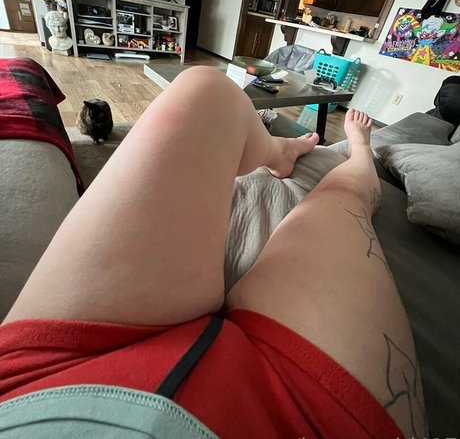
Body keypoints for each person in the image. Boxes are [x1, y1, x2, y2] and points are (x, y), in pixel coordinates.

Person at [0, 67, 426, 438]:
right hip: (294, 415)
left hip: (45, 379)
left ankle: (281, 152)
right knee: (345, 193)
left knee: (207, 89)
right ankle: (360, 149)